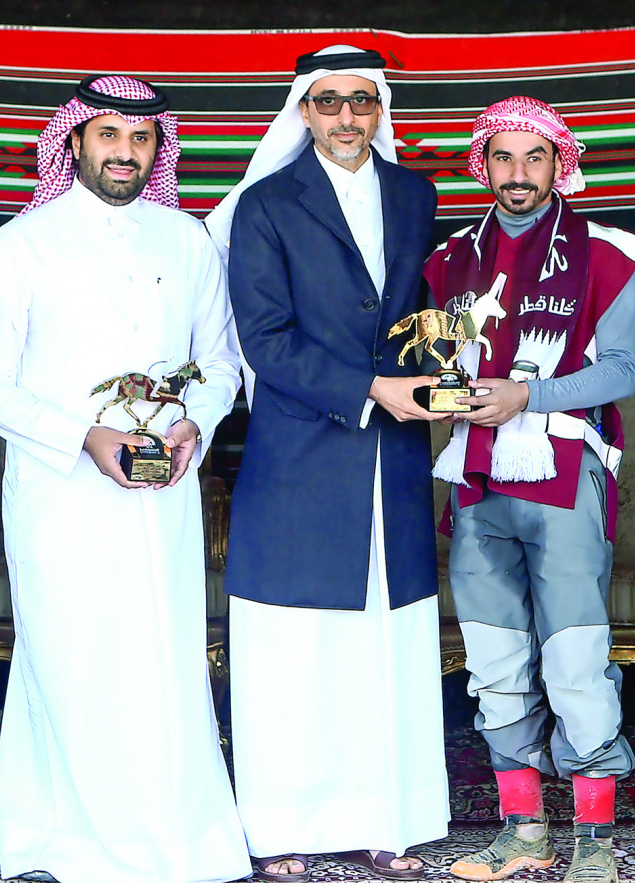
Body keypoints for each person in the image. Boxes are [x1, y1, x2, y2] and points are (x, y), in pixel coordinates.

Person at [0, 75, 249, 883]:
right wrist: (83, 437)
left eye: (141, 140)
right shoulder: (19, 246)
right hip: (63, 494)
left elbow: (221, 360)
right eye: (108, 137)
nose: (125, 153)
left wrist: (196, 417)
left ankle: (179, 840)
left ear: (158, 149)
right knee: (74, 654)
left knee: (162, 655)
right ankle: (73, 841)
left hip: (163, 487)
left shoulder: (187, 240)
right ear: (75, 142)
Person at [204, 45, 448, 882]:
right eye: (330, 102)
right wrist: (370, 387)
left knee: (386, 637)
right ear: (304, 111)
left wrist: (439, 377)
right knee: (295, 647)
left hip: (396, 455)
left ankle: (386, 816)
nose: (348, 118)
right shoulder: (265, 205)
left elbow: (427, 315)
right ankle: (280, 826)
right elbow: (263, 342)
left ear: (380, 110)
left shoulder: (416, 195)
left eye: (363, 102)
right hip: (304, 455)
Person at [425, 96, 635, 883]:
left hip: (563, 469)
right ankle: (526, 831)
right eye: (503, 158)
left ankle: (592, 841)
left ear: (561, 162)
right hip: (476, 474)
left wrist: (529, 396)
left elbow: (623, 370)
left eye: (534, 158)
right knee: (493, 657)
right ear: (481, 163)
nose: (518, 176)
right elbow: (441, 365)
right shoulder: (452, 257)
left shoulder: (607, 250)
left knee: (575, 657)